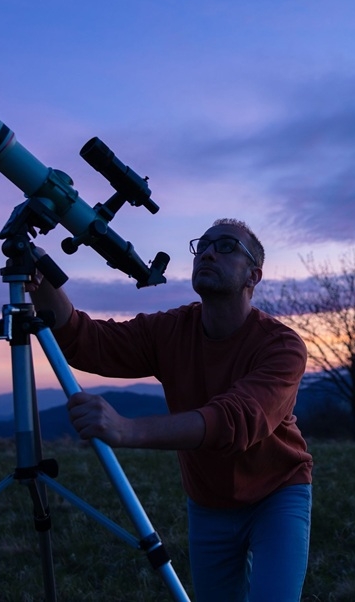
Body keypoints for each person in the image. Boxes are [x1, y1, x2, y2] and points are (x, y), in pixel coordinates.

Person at [29, 218, 312, 602]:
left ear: (253, 276)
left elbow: (235, 421)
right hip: (208, 501)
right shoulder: (171, 330)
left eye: (227, 246)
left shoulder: (282, 347)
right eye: (204, 245)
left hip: (277, 493)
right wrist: (42, 276)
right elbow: (88, 341)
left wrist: (127, 430)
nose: (209, 252)